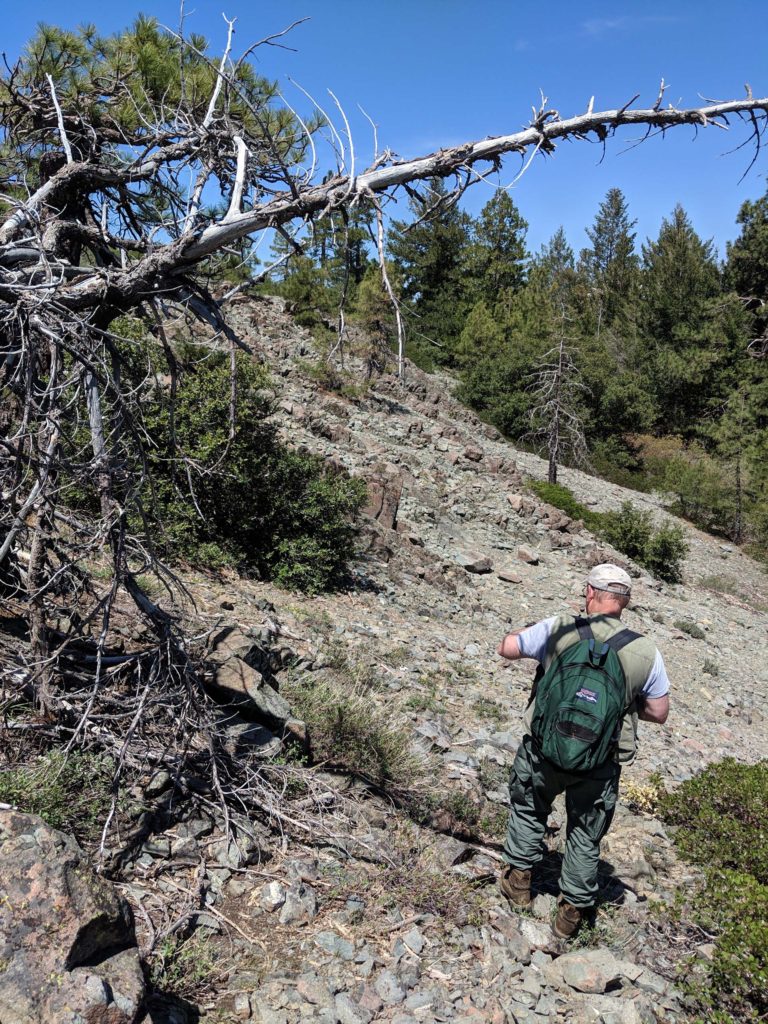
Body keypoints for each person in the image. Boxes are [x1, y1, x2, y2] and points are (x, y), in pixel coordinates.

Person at [497, 563, 670, 938]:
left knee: (529, 806)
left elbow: (507, 648)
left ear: (590, 593)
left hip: (544, 748)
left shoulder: (559, 626)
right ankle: (570, 916)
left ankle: (518, 886)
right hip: (599, 761)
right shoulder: (646, 651)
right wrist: (623, 702)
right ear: (625, 602)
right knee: (584, 834)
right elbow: (659, 712)